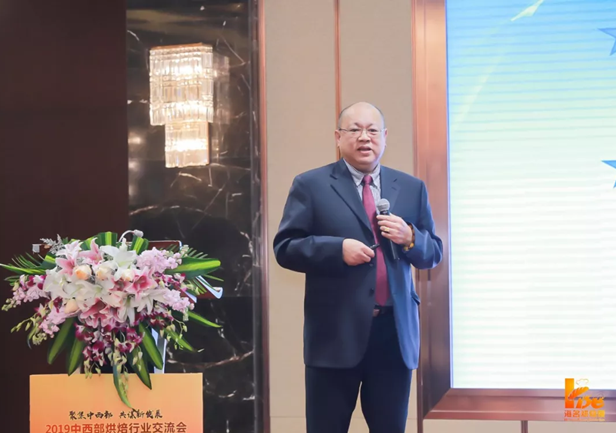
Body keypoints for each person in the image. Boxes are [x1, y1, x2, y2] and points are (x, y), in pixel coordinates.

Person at [273, 101, 443, 433]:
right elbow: (286, 247)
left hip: (393, 336)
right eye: (355, 130)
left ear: (385, 137)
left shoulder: (411, 187)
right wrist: (336, 250)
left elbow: (433, 253)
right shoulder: (311, 185)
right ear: (338, 137)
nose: (365, 137)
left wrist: (410, 237)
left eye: (372, 130)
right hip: (334, 335)